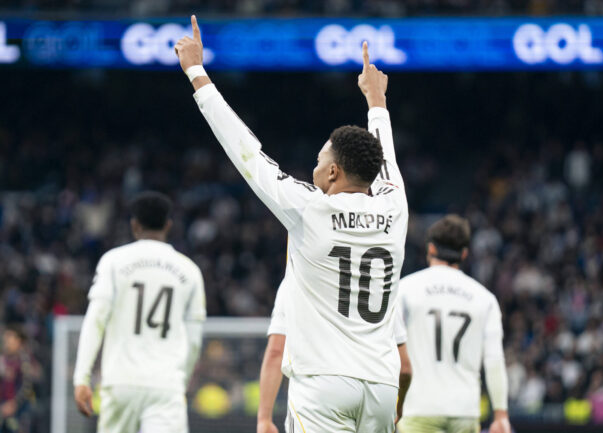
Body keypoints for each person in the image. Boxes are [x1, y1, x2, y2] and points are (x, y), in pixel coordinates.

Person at [176, 16, 408, 432]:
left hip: (323, 383)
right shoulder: (396, 207)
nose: (314, 167)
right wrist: (377, 102)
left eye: (320, 160)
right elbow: (386, 157)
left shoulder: (309, 209)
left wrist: (197, 73)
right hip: (381, 385)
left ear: (333, 172)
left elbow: (246, 153)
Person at [72, 191, 206, 433]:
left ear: (134, 225)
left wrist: (82, 378)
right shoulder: (190, 271)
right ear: (168, 225)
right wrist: (181, 381)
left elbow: (95, 320)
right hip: (166, 384)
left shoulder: (113, 261)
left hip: (120, 381)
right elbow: (194, 340)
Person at [396, 215, 511, 433]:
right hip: (464, 409)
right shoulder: (485, 298)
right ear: (465, 253)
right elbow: (494, 360)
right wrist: (500, 415)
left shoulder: (405, 290)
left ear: (431, 248)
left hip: (419, 407)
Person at [257, 283, 411, 433]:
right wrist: (399, 405)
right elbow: (405, 368)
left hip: (325, 387)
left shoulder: (298, 278)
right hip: (381, 388)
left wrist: (264, 418)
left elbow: (276, 351)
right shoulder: (382, 282)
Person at [0, 326, 39, 433]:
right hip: (2, 409)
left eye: (9, 338)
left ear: (19, 341)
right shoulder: (0, 361)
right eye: (5, 339)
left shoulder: (26, 361)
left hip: (21, 410)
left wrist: (14, 404)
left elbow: (28, 387)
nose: (6, 342)